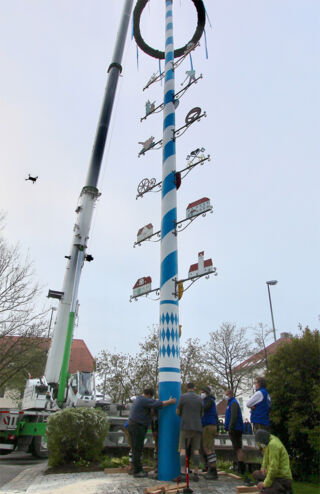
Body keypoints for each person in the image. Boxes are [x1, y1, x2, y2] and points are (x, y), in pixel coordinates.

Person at [128, 388, 176, 478]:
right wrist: (169, 402)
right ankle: (137, 471)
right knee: (137, 448)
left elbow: (154, 403)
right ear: (149, 395)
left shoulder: (140, 399)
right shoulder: (144, 400)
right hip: (137, 426)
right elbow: (158, 404)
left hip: (134, 425)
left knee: (136, 448)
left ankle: (137, 469)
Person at [175, 382, 203, 482]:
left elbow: (177, 411)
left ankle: (183, 473)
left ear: (187, 388)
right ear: (194, 388)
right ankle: (196, 473)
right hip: (197, 427)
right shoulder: (200, 398)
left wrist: (183, 417)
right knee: (196, 450)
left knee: (183, 449)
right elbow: (201, 413)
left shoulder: (182, 397)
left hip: (185, 426)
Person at [253, 429, 293, 493]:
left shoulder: (273, 445)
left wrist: (265, 484)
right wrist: (263, 468)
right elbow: (265, 458)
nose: (260, 445)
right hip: (275, 475)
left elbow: (273, 468)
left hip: (282, 478)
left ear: (263, 440)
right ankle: (273, 485)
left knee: (265, 492)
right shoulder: (268, 441)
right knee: (256, 474)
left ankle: (283, 489)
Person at [224, 388, 246, 475]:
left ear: (230, 394)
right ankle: (238, 465)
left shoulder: (233, 403)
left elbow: (233, 416)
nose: (225, 396)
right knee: (236, 448)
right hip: (235, 428)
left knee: (237, 447)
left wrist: (230, 427)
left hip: (235, 428)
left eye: (226, 395)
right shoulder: (231, 403)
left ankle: (241, 467)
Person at [200, 386, 218, 480]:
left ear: (206, 392)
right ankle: (212, 468)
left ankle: (213, 470)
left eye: (202, 392)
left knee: (207, 448)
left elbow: (203, 409)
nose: (201, 394)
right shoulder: (210, 401)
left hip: (208, 426)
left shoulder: (208, 401)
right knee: (210, 448)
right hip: (210, 425)